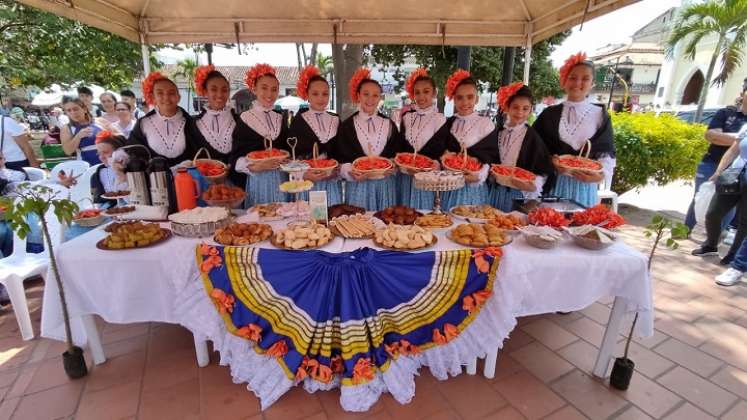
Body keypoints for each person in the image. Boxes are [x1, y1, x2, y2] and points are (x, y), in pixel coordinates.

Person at [533, 52, 615, 208]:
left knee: (581, 229)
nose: (578, 82)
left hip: (584, 187)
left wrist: (597, 177)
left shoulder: (600, 115)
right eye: (572, 77)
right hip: (553, 184)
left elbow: (606, 153)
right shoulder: (548, 114)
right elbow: (535, 148)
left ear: (592, 84)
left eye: (585, 78)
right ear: (564, 81)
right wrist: (551, 161)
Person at [327, 67, 407, 211]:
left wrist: (394, 166)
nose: (370, 99)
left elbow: (397, 154)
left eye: (375, 95)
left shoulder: (389, 124)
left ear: (380, 98)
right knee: (359, 227)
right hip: (358, 186)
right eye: (366, 94)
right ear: (358, 96)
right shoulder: (347, 126)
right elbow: (339, 158)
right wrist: (350, 171)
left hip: (384, 185)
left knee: (384, 225)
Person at [684, 85, 747, 233]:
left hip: (736, 170)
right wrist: (740, 139)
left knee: (727, 207)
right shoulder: (725, 113)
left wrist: (724, 137)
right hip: (711, 163)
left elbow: (719, 138)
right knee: (700, 198)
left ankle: (712, 241)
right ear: (742, 93)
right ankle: (684, 231)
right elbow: (711, 136)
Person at [438, 69, 499, 210]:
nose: (465, 102)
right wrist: (445, 156)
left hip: (473, 187)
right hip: (450, 186)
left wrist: (479, 175)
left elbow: (491, 156)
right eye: (459, 97)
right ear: (454, 99)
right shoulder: (449, 123)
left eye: (470, 97)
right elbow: (441, 150)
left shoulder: (486, 124)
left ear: (477, 99)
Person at [489, 82, 554, 211]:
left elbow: (543, 171)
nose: (520, 112)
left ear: (530, 110)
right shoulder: (498, 133)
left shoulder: (533, 138)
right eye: (515, 107)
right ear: (507, 107)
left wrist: (531, 185)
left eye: (525, 108)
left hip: (518, 196)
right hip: (494, 192)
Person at [192, 65, 260, 187]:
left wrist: (237, 164)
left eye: (224, 90)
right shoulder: (194, 124)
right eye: (213, 89)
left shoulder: (242, 120)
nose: (219, 94)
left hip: (239, 188)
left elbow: (250, 153)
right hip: (206, 190)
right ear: (205, 91)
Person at [234, 64, 291, 207]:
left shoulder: (279, 117)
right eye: (264, 88)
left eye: (274, 89)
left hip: (281, 179)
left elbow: (285, 148)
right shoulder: (245, 118)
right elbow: (236, 157)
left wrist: (286, 156)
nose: (270, 94)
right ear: (254, 89)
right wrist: (256, 166)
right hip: (258, 180)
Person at [692, 125, 747, 265]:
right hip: (735, 174)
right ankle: (711, 245)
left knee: (744, 222)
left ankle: (733, 256)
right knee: (713, 213)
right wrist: (718, 172)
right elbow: (733, 150)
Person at [288, 65, 343, 205]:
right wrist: (303, 174)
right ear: (307, 95)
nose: (321, 98)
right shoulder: (298, 121)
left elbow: (341, 151)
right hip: (308, 183)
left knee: (332, 218)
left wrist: (334, 170)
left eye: (325, 94)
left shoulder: (335, 119)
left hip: (331, 183)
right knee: (309, 224)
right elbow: (291, 155)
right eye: (315, 93)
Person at [397, 68, 447, 208]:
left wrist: (429, 166)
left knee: (424, 220)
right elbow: (400, 147)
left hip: (427, 179)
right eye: (417, 92)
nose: (421, 97)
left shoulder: (440, 119)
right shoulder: (407, 118)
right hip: (405, 179)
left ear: (434, 93)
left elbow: (441, 150)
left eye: (426, 91)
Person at [128, 72, 199, 167]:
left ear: (178, 97)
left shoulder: (192, 123)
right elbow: (133, 153)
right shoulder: (143, 124)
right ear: (153, 97)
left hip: (189, 179)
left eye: (171, 93)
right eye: (160, 93)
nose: (166, 97)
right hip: (154, 180)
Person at [60, 96, 103, 165]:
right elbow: (68, 151)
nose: (73, 113)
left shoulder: (100, 121)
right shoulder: (67, 128)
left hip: (107, 162)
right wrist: (78, 136)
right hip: (86, 166)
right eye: (69, 110)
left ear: (85, 109)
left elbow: (117, 137)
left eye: (76, 109)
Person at [91, 130, 129, 205]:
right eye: (99, 153)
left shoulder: (135, 171)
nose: (101, 157)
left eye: (105, 152)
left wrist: (120, 174)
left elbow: (134, 200)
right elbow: (98, 203)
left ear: (120, 153)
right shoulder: (97, 176)